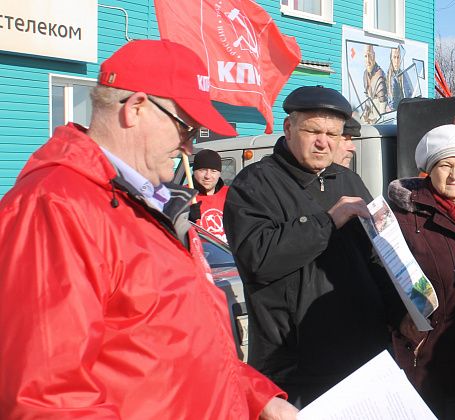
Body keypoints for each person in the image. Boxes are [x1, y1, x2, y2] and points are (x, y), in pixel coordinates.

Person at [0, 39, 295, 419]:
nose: (189, 148)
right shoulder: (54, 206)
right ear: (136, 108)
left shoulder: (148, 202)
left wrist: (259, 398)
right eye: (186, 128)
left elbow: (181, 345)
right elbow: (48, 400)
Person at [223, 85, 404, 407]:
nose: (324, 142)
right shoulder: (255, 183)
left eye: (333, 134)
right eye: (314, 131)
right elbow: (257, 258)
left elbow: (375, 258)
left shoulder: (348, 180)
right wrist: (326, 221)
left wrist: (402, 316)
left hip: (363, 358)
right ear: (289, 128)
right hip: (298, 368)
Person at [388, 124, 455, 419]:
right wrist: (399, 319)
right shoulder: (403, 217)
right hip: (432, 359)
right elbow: (379, 278)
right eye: (445, 165)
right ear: (428, 169)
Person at [190, 148, 229, 242]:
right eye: (203, 170)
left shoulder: (230, 195)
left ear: (219, 173)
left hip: (225, 253)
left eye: (213, 171)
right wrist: (185, 219)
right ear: (194, 171)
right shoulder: (182, 195)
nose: (208, 176)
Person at [362, 45, 387, 124]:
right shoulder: (365, 74)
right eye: (365, 56)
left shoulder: (379, 74)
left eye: (370, 55)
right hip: (372, 117)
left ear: (374, 56)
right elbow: (368, 100)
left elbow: (382, 111)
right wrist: (365, 114)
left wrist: (375, 120)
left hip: (379, 120)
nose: (368, 60)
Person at [386, 47, 413, 111]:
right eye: (394, 57)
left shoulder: (404, 75)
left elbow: (409, 94)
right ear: (391, 58)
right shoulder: (388, 76)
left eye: (398, 57)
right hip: (392, 112)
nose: (396, 61)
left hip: (402, 110)